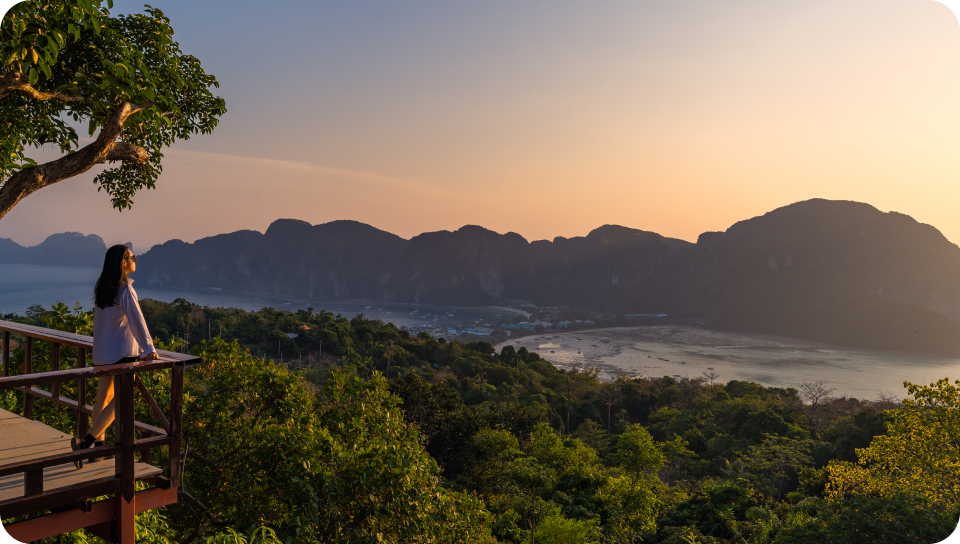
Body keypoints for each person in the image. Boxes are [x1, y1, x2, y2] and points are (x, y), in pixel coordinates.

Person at [71, 245, 158, 468]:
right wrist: (148, 349)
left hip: (103, 352)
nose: (135, 260)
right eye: (132, 257)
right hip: (121, 353)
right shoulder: (125, 290)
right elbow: (137, 321)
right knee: (122, 400)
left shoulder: (104, 290)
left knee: (103, 398)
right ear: (123, 262)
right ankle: (86, 443)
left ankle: (98, 450)